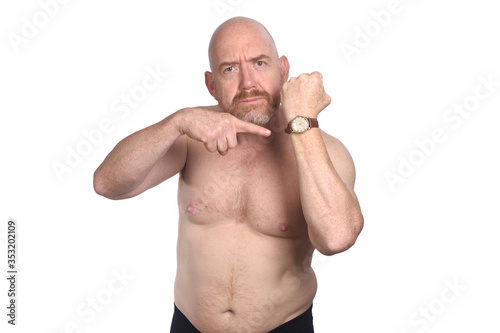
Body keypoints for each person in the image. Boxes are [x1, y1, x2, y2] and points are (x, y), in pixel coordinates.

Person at [94, 16, 363, 333]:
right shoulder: (193, 136)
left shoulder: (323, 150)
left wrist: (303, 121)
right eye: (230, 69)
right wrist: (176, 122)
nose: (248, 81)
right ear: (211, 85)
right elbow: (106, 184)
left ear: (284, 70)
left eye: (260, 63)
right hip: (190, 325)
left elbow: (336, 238)